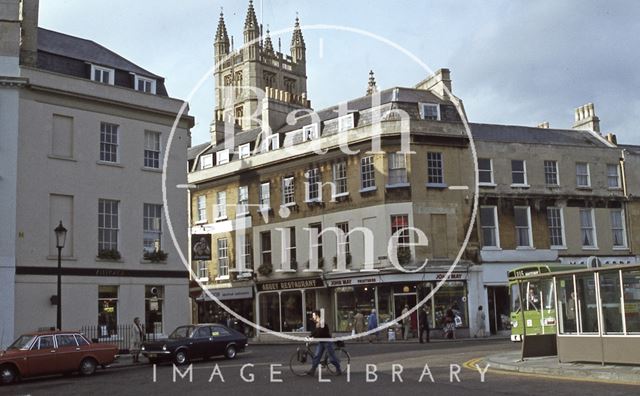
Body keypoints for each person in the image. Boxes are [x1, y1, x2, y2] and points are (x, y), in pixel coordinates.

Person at [306, 310, 341, 376]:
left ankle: (338, 369)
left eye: (313, 315)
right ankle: (312, 370)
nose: (312, 317)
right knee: (317, 356)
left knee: (331, 358)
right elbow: (315, 332)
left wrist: (313, 338)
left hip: (327, 342)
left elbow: (320, 333)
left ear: (317, 316)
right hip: (321, 342)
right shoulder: (318, 323)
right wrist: (309, 336)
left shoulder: (322, 323)